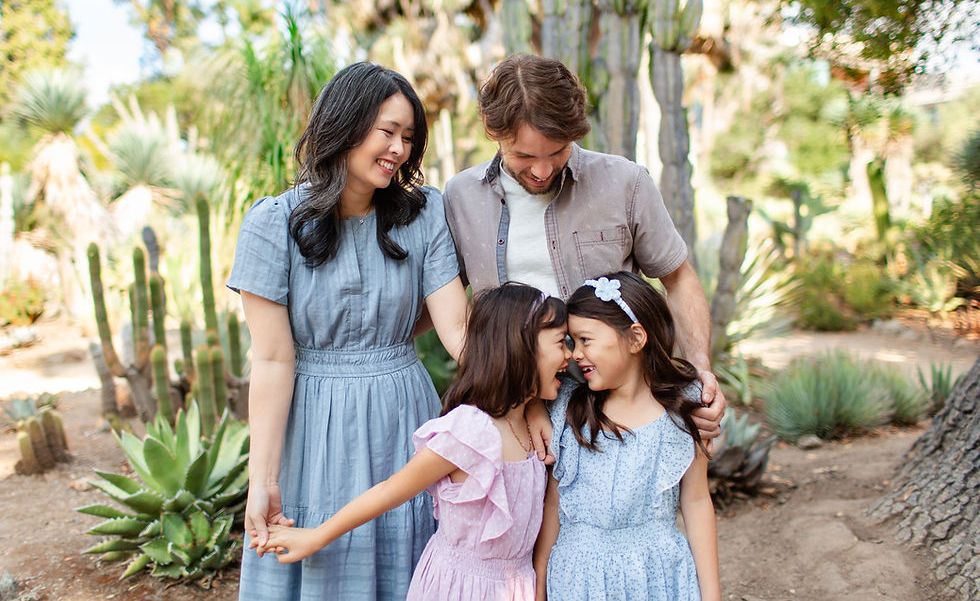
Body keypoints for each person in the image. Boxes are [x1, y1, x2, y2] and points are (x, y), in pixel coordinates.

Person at [227, 62, 469, 600]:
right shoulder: (273, 224)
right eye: (387, 131)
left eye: (409, 137)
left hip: (404, 416)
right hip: (313, 427)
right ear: (345, 124)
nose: (399, 149)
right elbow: (271, 359)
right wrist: (262, 479)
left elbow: (456, 327)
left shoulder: (423, 214)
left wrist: (518, 398)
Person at [442, 53, 724, 445]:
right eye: (523, 155)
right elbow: (449, 308)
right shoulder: (460, 197)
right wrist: (526, 398)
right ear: (493, 131)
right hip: (512, 411)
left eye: (557, 151)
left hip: (620, 407)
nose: (542, 171)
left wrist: (700, 369)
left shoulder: (626, 183)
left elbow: (678, 279)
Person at [254, 284, 571, 601]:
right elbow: (390, 491)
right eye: (561, 343)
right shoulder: (470, 431)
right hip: (458, 590)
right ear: (523, 348)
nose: (570, 354)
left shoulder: (533, 431)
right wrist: (317, 537)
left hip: (517, 587)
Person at [533, 271, 720, 600]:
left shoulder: (682, 408)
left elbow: (696, 500)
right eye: (572, 343)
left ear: (635, 338)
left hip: (656, 577)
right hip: (579, 580)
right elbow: (553, 505)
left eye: (585, 340)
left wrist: (712, 595)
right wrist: (538, 588)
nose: (575, 354)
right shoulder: (568, 410)